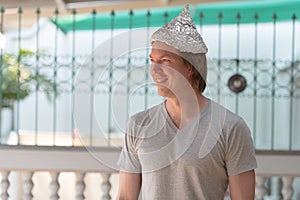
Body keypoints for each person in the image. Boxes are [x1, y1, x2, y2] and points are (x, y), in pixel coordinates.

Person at [117, 5, 257, 200]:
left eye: (165, 61)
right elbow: (125, 196)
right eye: (152, 60)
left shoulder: (230, 127)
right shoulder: (138, 125)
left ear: (190, 67)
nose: (155, 70)